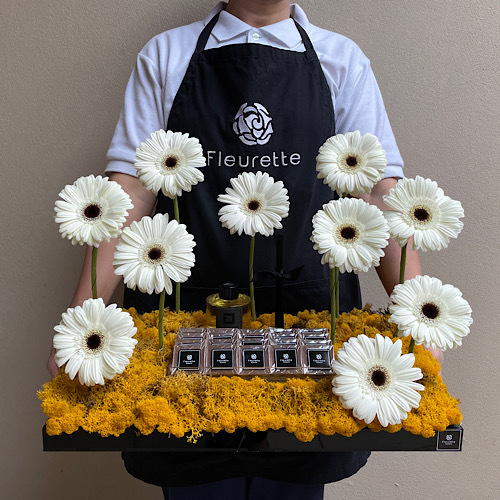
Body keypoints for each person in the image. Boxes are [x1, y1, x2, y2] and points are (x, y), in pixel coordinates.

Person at [48, 1, 442, 498]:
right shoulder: (166, 55)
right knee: (194, 472)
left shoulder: (342, 59)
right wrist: (81, 320)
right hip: (185, 329)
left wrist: (420, 319)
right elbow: (129, 193)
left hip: (309, 324)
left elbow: (380, 193)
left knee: (296, 470)